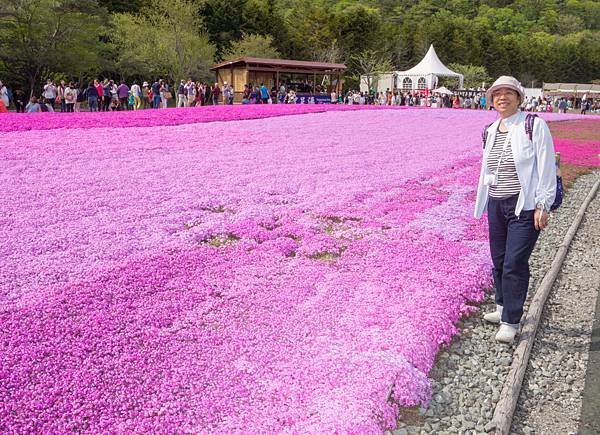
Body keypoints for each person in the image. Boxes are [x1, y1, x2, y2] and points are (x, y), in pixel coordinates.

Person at [474, 76, 557, 344]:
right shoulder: (489, 129)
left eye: (509, 93)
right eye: (497, 94)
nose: (502, 98)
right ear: (491, 100)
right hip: (497, 202)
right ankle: (501, 307)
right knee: (498, 259)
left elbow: (545, 166)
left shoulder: (533, 125)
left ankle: (511, 320)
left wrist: (543, 204)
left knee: (514, 263)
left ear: (519, 98)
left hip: (524, 205)